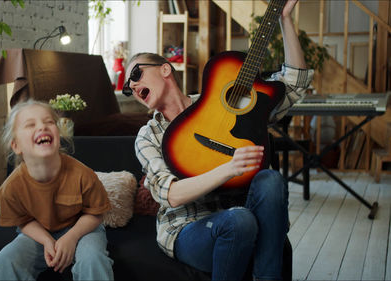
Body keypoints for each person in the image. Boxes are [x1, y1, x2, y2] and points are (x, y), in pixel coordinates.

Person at [123, 0, 314, 280]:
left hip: (241, 210)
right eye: (129, 87)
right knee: (239, 220)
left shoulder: (219, 101)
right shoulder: (148, 135)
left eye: (137, 74)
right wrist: (229, 168)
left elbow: (295, 86)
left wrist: (284, 19)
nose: (134, 86)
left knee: (270, 181)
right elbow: (170, 194)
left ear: (165, 69)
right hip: (187, 227)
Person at [0, 99, 114, 281]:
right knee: (5, 260)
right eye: (30, 124)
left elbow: (96, 214)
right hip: (40, 233)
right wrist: (47, 240)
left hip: (83, 230)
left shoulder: (82, 174)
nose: (42, 127)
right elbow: (23, 222)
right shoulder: (11, 188)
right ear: (16, 145)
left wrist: (71, 237)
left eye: (49, 122)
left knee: (92, 259)